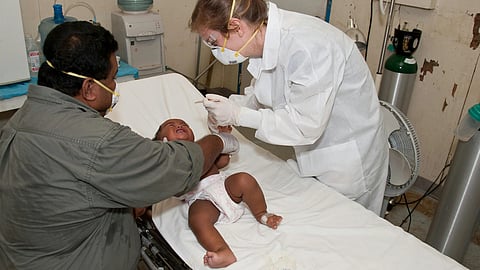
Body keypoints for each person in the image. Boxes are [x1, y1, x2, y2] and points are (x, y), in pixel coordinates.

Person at [0, 21, 239, 270]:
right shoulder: (97, 141)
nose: (115, 87)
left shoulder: (22, 118)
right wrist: (220, 141)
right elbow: (176, 167)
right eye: (113, 78)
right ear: (89, 88)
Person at [190, 0, 389, 215]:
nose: (216, 50)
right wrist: (228, 110)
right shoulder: (263, 40)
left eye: (213, 41)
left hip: (348, 163)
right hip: (313, 155)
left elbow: (304, 126)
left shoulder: (308, 46)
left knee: (348, 226)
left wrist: (238, 115)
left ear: (237, 27)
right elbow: (262, 91)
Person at [154, 118, 282, 268]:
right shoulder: (168, 162)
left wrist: (222, 136)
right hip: (202, 198)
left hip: (224, 186)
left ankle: (262, 213)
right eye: (171, 126)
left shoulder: (201, 149)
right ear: (161, 141)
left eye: (185, 124)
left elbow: (223, 162)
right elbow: (173, 189)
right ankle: (222, 250)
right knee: (197, 219)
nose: (180, 126)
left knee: (244, 179)